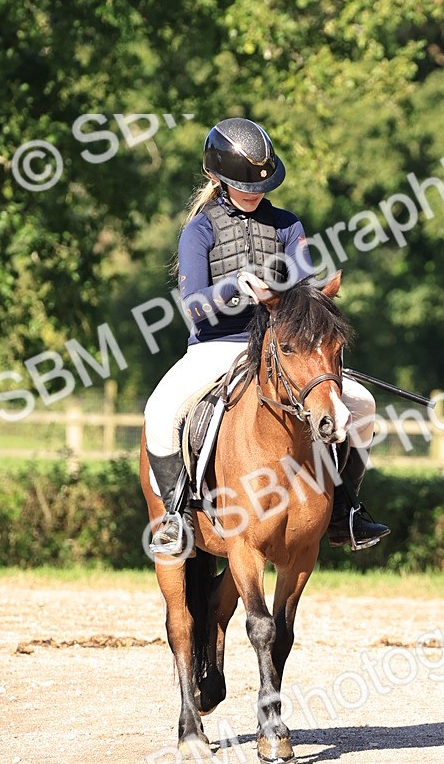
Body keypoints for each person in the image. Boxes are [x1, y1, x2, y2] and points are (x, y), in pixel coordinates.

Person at [143, 117, 390, 556]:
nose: (255, 193)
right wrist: (236, 288)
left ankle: (345, 510)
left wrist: (303, 299)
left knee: (363, 404)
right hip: (218, 347)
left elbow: (306, 290)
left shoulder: (288, 224)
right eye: (244, 186)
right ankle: (176, 518)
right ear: (215, 176)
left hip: (282, 348)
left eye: (261, 185)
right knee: (160, 414)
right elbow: (193, 305)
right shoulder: (200, 230)